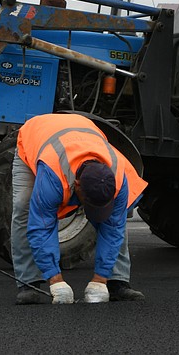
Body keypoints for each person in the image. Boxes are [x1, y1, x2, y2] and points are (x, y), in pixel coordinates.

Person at [11, 113, 149, 305]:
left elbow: (113, 227)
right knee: (23, 206)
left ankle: (118, 282)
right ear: (76, 185)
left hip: (82, 133)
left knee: (118, 217)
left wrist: (100, 279)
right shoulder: (52, 175)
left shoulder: (118, 176)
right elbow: (41, 225)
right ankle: (28, 284)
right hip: (36, 139)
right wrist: (55, 279)